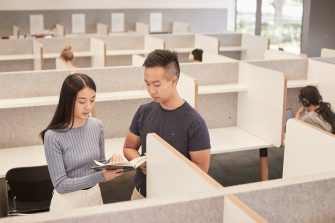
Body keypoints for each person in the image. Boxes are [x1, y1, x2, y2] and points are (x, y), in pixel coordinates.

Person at [123, 49, 211, 200]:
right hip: (140, 194)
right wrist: (140, 163)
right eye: (147, 84)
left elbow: (201, 172)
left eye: (156, 84)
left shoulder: (194, 123)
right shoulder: (144, 111)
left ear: (174, 81)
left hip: (173, 199)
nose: (151, 90)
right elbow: (129, 148)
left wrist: (164, 169)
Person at [40, 73, 123, 212]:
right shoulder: (53, 136)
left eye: (92, 100)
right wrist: (101, 176)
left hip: (95, 196)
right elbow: (61, 184)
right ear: (68, 101)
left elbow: (99, 163)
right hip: (68, 202)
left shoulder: (97, 126)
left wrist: (112, 162)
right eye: (82, 101)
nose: (88, 107)